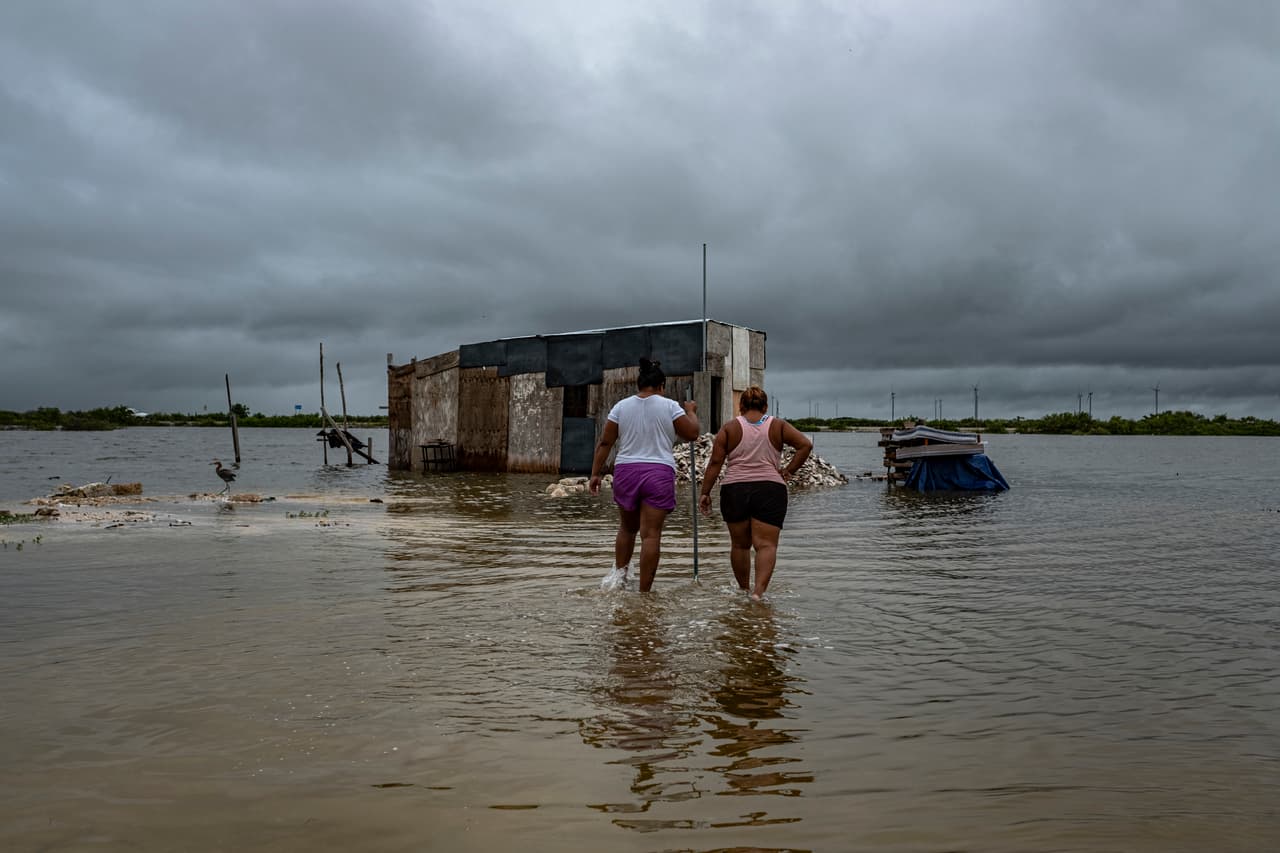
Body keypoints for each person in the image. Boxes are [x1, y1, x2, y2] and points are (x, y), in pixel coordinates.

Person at [589, 358, 700, 592]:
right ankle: (644, 593)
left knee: (627, 529)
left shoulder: (620, 407)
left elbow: (605, 442)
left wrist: (595, 474)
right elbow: (692, 433)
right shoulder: (670, 406)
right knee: (650, 535)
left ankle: (618, 580)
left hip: (626, 471)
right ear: (661, 385)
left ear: (639, 384)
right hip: (658, 472)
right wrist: (691, 412)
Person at [699, 386, 812, 600]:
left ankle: (743, 590)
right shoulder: (778, 426)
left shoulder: (730, 428)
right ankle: (758, 594)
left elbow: (715, 462)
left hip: (735, 489)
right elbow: (805, 445)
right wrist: (788, 471)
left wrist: (705, 493)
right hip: (770, 489)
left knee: (740, 545)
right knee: (766, 545)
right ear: (765, 406)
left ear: (740, 406)